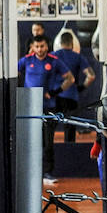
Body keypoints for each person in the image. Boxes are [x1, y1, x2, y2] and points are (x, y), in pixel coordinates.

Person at [18, 34, 74, 185]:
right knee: (31, 141)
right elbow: (14, 73)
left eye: (42, 46)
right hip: (30, 108)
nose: (40, 49)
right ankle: (30, 172)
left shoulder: (54, 61)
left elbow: (70, 78)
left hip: (49, 107)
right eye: (37, 46)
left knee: (47, 142)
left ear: (47, 46)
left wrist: (55, 92)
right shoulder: (26, 61)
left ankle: (47, 172)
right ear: (32, 47)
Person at [51, 30, 96, 150]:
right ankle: (69, 152)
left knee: (50, 125)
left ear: (60, 43)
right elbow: (91, 76)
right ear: (72, 43)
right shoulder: (78, 57)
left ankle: (47, 153)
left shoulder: (53, 56)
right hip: (71, 96)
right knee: (70, 126)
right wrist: (81, 87)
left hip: (56, 96)